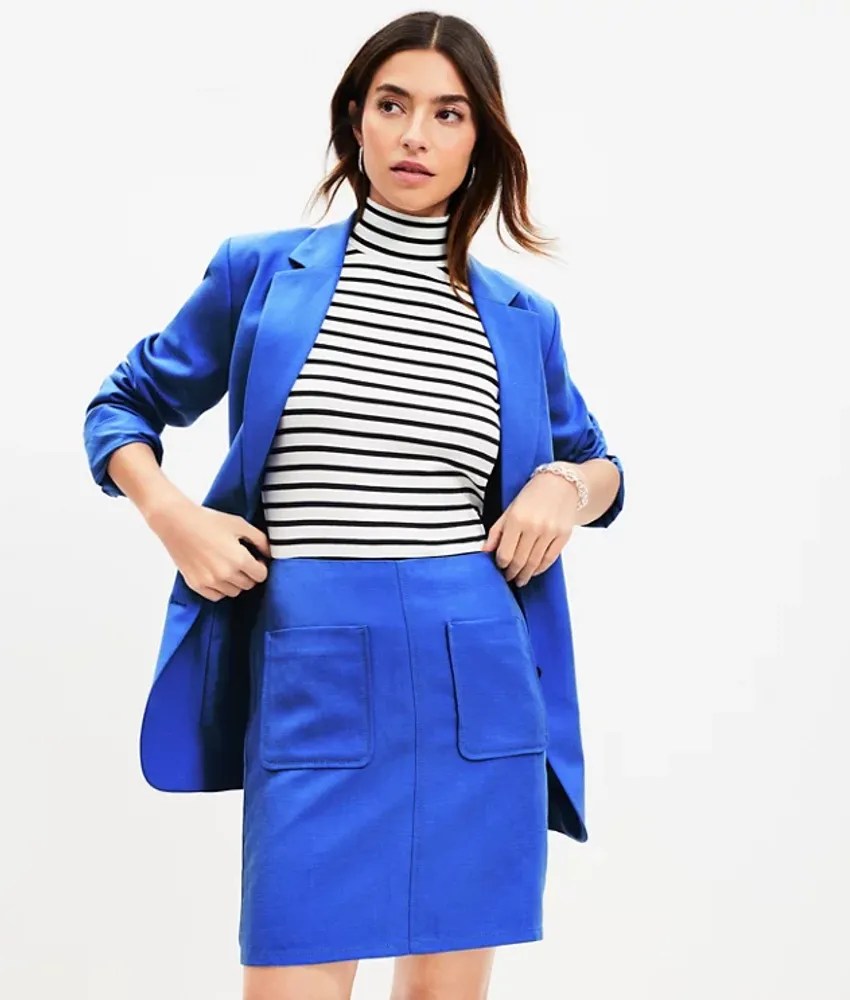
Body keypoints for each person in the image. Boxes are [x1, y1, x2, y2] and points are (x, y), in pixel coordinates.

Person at [83, 11, 624, 1000]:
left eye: (448, 113)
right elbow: (122, 406)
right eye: (392, 104)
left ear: (480, 138)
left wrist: (564, 485)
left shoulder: (520, 318)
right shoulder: (261, 272)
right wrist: (172, 516)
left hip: (475, 670)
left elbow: (600, 466)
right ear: (355, 120)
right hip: (314, 663)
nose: (416, 134)